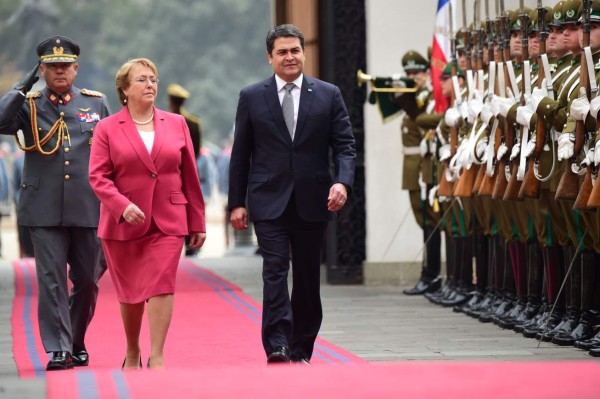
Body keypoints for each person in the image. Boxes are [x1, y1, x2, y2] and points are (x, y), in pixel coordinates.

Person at [228, 24, 356, 364]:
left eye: (295, 50)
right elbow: (241, 154)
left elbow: (345, 146)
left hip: (313, 199)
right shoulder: (252, 96)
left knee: (307, 277)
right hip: (268, 199)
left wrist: (342, 182)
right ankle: (278, 343)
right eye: (282, 51)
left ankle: (302, 344)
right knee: (274, 270)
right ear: (269, 57)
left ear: (304, 53)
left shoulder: (328, 94)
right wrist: (237, 203)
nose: (289, 57)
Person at [0, 35, 110, 370]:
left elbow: (110, 155)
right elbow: (2, 120)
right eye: (51, 66)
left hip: (87, 205)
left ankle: (75, 340)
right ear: (42, 71)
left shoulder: (96, 103)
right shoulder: (29, 104)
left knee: (88, 281)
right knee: (51, 280)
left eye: (65, 66)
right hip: (43, 207)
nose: (59, 71)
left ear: (76, 69)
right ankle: (58, 348)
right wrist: (23, 85)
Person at [89, 58, 206, 369]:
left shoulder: (177, 123)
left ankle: (157, 356)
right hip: (123, 222)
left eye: (153, 79)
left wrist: (197, 222)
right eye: (142, 80)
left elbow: (190, 178)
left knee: (161, 284)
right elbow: (98, 177)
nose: (150, 85)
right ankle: (131, 351)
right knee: (130, 292)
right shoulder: (107, 128)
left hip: (169, 219)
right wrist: (121, 205)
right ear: (124, 89)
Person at [395, 50, 442, 296]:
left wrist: (407, 96)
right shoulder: (416, 95)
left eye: (417, 72)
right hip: (413, 168)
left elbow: (422, 119)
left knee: (430, 222)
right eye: (409, 73)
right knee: (423, 221)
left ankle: (432, 274)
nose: (413, 76)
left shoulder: (428, 97)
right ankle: (429, 273)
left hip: (425, 166)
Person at [167, 83, 203, 256]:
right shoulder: (194, 122)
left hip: (169, 170)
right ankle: (191, 241)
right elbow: (195, 151)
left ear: (171, 102)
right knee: (190, 204)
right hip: (187, 170)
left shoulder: (163, 120)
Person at [12, 151, 35, 258]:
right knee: (24, 240)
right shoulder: (19, 160)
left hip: (41, 208)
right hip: (24, 206)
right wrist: (20, 202)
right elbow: (16, 186)